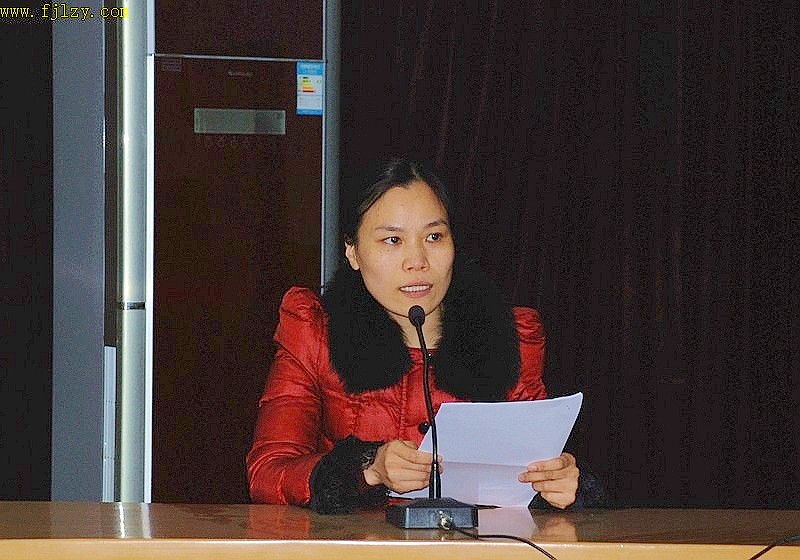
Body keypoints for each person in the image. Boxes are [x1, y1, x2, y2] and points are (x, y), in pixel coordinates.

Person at [247, 158, 600, 514]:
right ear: (352, 251)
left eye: (434, 237)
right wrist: (368, 469)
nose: (417, 261)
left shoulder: (509, 339)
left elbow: (539, 465)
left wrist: (558, 483)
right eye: (392, 240)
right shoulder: (314, 333)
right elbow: (267, 472)